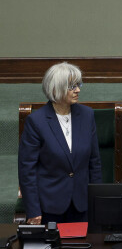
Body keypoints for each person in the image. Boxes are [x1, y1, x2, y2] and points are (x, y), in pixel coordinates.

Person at [18, 62, 102, 224]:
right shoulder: (36, 122)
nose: (78, 90)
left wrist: (96, 201)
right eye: (72, 86)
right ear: (56, 89)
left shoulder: (87, 115)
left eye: (78, 84)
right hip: (49, 206)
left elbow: (94, 163)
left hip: (82, 204)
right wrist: (33, 210)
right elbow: (27, 170)